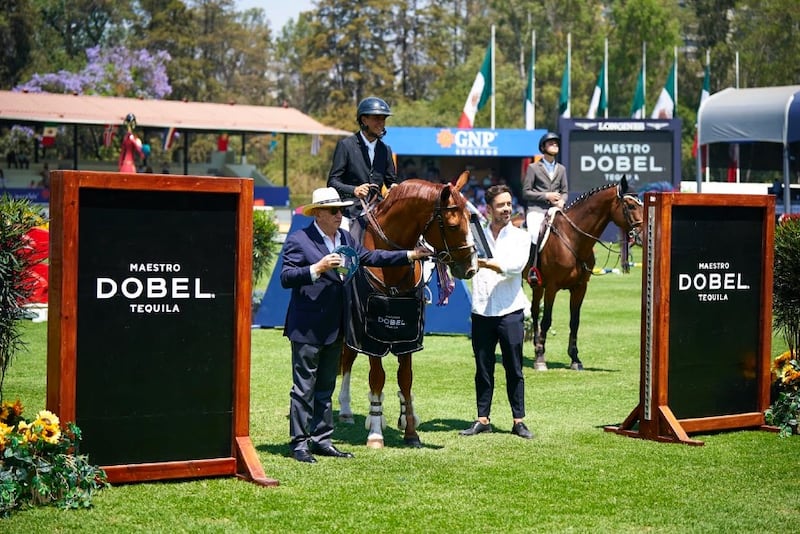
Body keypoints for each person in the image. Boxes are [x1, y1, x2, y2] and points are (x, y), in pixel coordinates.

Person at [281, 187, 431, 464]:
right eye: (335, 211)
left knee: (326, 386)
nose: (341, 215)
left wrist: (409, 255)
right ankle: (299, 444)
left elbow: (372, 257)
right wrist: (318, 268)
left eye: (342, 210)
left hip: (337, 325)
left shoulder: (346, 238)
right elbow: (287, 277)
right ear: (319, 213)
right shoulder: (299, 240)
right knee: (304, 388)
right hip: (308, 326)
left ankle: (322, 440)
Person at [460, 184, 534, 440]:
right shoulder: (473, 235)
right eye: (501, 205)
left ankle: (519, 420)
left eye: (509, 204)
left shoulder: (522, 237)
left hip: (510, 310)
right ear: (489, 209)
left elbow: (513, 267)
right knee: (483, 368)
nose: (506, 209)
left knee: (514, 369)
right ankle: (483, 419)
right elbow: (461, 264)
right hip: (481, 309)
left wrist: (481, 263)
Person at [327, 96, 399, 226]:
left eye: (383, 119)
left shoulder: (385, 150)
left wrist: (394, 188)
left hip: (377, 211)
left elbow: (391, 182)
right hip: (349, 212)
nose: (381, 123)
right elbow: (332, 182)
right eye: (377, 118)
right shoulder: (346, 146)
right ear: (364, 120)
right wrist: (354, 190)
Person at [522, 131, 568, 285]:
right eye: (551, 143)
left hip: (555, 209)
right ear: (543, 147)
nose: (554, 145)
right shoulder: (534, 168)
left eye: (556, 143)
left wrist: (562, 200)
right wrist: (547, 196)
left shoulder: (561, 169)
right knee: (535, 234)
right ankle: (533, 269)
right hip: (536, 209)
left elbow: (565, 191)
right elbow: (526, 192)